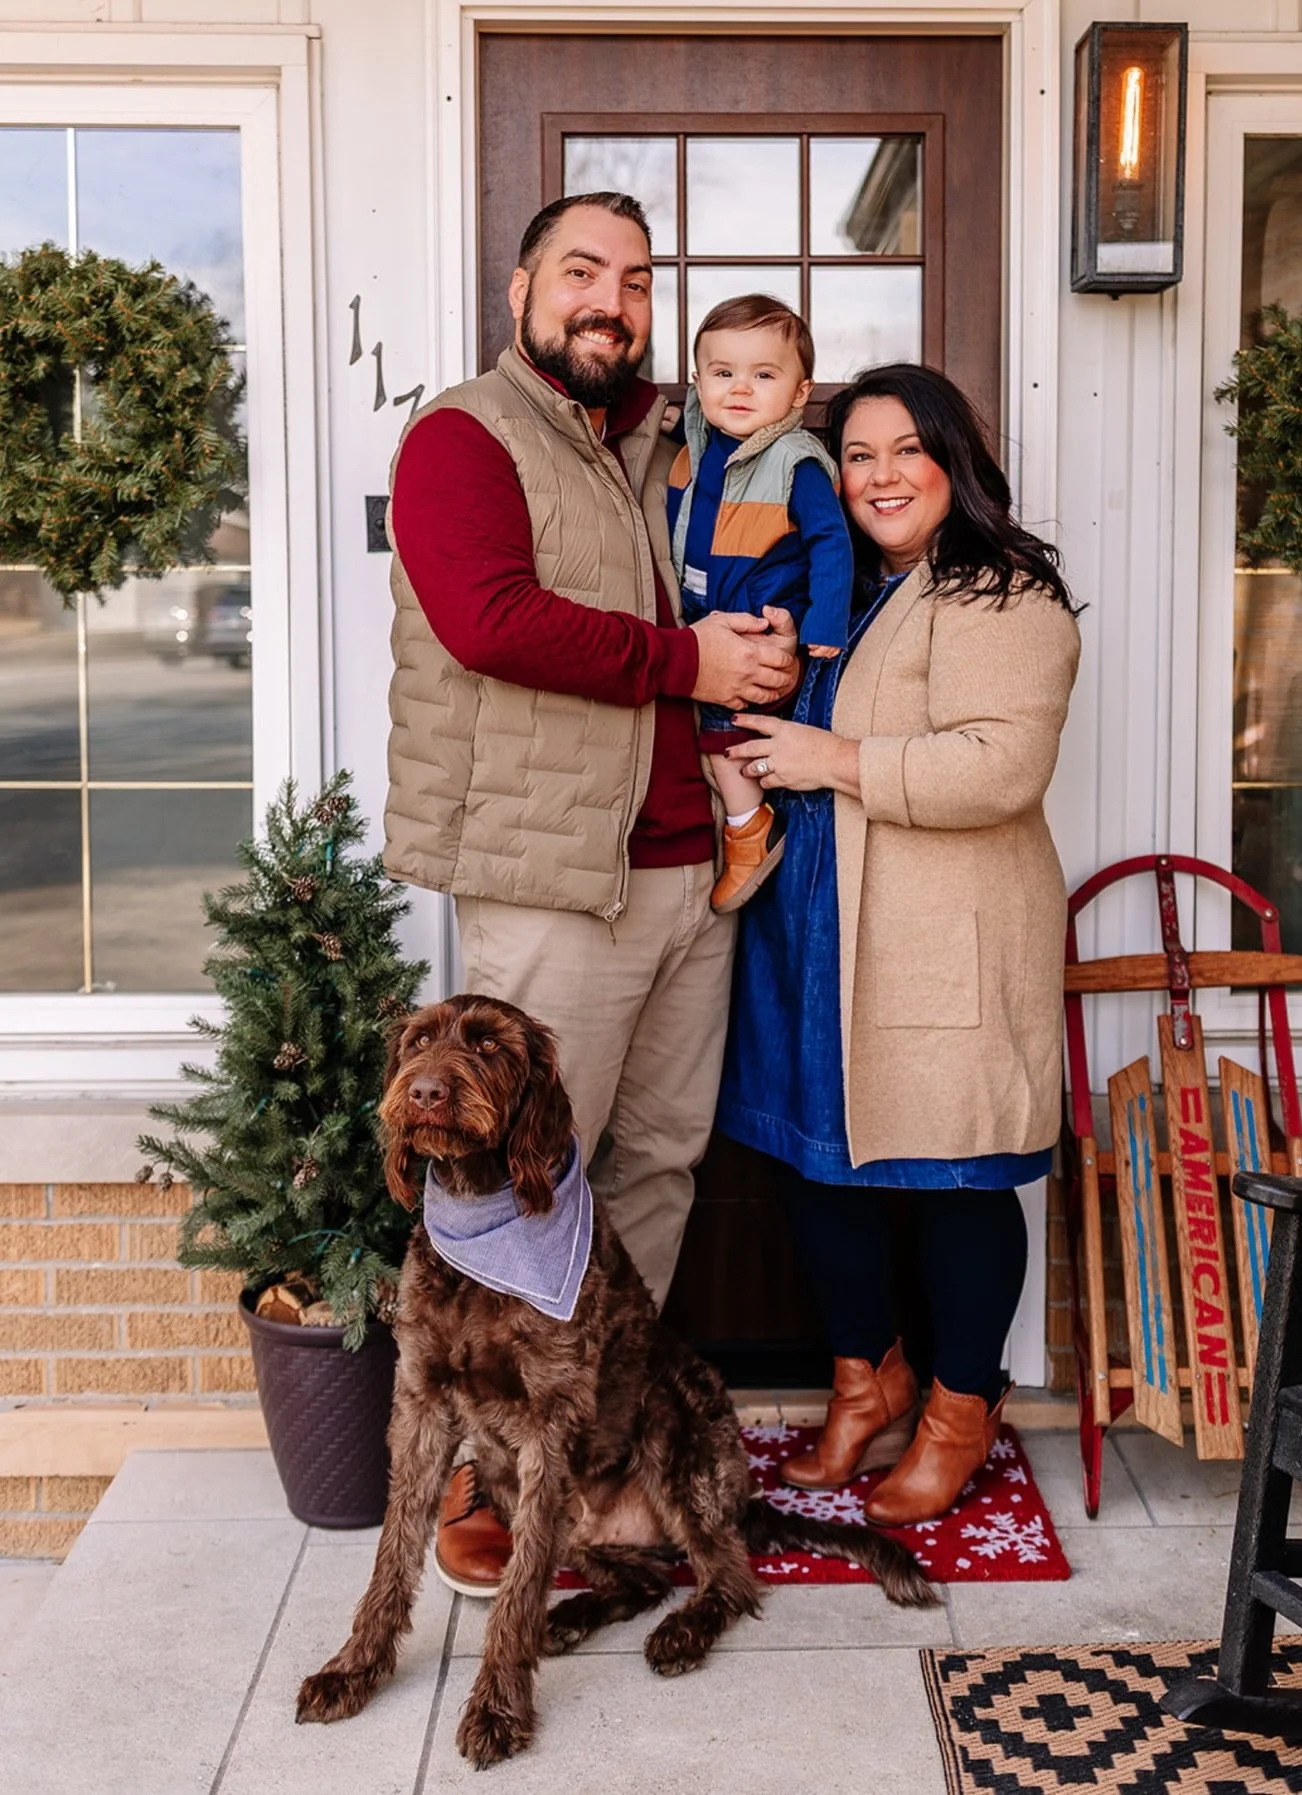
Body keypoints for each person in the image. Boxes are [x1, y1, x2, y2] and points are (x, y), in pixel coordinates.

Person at [382, 191, 800, 1594]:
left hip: (692, 878)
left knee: (657, 1170)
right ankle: (478, 1474)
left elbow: (786, 486)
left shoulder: (662, 447)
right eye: (581, 272)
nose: (609, 300)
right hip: (558, 884)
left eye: (633, 279)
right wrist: (695, 661)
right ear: (522, 293)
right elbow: (489, 619)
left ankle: (590, 1456)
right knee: (511, 1181)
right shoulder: (464, 438)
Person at [715, 363, 1082, 1526]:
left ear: (952, 460)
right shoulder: (858, 592)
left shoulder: (1002, 591)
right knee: (820, 1166)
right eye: (857, 455)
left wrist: (832, 760)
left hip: (935, 933)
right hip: (815, 922)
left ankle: (961, 1410)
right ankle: (865, 1383)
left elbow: (1000, 766)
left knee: (958, 1178)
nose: (878, 476)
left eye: (904, 450)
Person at [666, 294, 852, 911]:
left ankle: (750, 830)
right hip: (704, 611)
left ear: (801, 393)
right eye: (723, 373)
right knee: (704, 727)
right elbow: (687, 427)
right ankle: (744, 814)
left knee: (727, 731)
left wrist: (826, 619)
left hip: (761, 616)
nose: (740, 389)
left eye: (764, 375)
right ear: (699, 383)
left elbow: (831, 542)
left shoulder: (795, 463)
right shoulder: (699, 442)